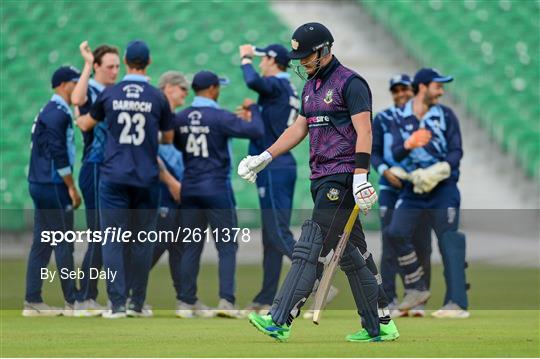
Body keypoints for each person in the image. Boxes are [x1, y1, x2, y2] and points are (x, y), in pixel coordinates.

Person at [239, 22, 399, 342]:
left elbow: (365, 131)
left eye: (306, 56)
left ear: (325, 50)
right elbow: (299, 129)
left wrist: (360, 176)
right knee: (353, 253)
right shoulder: (310, 85)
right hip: (320, 177)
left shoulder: (350, 83)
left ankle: (280, 318)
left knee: (311, 244)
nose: (301, 62)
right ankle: (380, 323)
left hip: (342, 178)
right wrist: (265, 157)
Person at [77, 40, 174, 319]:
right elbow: (167, 138)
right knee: (143, 239)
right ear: (149, 62)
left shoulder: (111, 92)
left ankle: (116, 304)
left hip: (113, 175)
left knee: (113, 239)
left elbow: (86, 122)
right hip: (145, 176)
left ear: (127, 62)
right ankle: (137, 304)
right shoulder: (157, 97)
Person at [172, 70, 263, 318]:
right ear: (212, 88)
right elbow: (256, 129)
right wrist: (252, 108)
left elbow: (175, 143)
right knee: (226, 246)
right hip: (216, 188)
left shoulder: (180, 117)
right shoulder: (220, 117)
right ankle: (226, 301)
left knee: (191, 246)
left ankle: (186, 302)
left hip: (189, 187)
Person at [386, 68, 469, 318]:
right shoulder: (399, 117)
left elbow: (456, 150)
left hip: (443, 188)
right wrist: (409, 144)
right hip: (414, 188)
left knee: (449, 240)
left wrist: (440, 169)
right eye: (437, 86)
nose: (441, 91)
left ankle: (456, 302)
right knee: (395, 232)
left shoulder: (446, 115)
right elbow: (395, 153)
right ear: (423, 87)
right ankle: (417, 287)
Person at [237, 43, 310, 314]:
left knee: (278, 231)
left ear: (272, 60)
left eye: (262, 58)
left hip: (273, 165)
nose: (260, 62)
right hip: (280, 164)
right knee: (271, 235)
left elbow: (252, 81)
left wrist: (245, 58)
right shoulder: (286, 87)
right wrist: (254, 112)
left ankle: (310, 278)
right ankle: (267, 295)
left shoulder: (276, 83)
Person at [371, 74, 432, 317]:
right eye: (395, 90)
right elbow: (374, 153)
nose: (400, 94)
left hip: (417, 188)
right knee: (390, 243)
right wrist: (385, 170)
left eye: (404, 89)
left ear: (413, 90)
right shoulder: (383, 118)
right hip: (389, 187)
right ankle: (390, 299)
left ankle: (417, 297)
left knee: (422, 243)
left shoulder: (424, 117)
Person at [24, 66, 82, 317]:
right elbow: (59, 154)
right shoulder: (58, 113)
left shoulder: (49, 111)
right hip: (52, 184)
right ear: (62, 84)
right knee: (63, 242)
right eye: (74, 82)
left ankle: (33, 300)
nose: (77, 86)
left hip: (39, 183)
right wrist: (71, 186)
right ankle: (72, 300)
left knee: (42, 243)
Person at [71, 41, 120, 316]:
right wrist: (87, 64)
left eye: (117, 66)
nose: (115, 71)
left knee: (108, 235)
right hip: (94, 165)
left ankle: (96, 295)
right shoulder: (91, 89)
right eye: (110, 66)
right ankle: (84, 296)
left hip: (113, 168)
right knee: (100, 235)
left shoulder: (116, 92)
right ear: (98, 67)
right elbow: (76, 101)